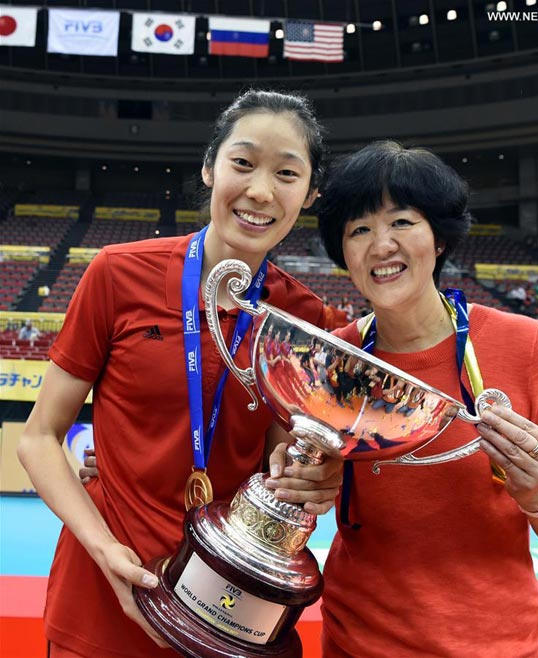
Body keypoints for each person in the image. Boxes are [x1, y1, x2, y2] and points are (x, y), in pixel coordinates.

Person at [17, 90, 343, 658]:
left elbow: (279, 458)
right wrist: (103, 550)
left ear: (310, 193)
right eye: (242, 163)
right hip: (100, 596)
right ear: (209, 168)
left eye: (286, 173)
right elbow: (39, 437)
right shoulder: (118, 274)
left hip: (230, 607)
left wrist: (313, 478)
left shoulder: (305, 320)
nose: (260, 190)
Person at [317, 141, 538, 658]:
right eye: (359, 230)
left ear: (438, 238)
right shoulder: (333, 361)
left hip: (499, 644)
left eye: (402, 221)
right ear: (343, 254)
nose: (381, 245)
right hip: (359, 643)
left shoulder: (526, 344)